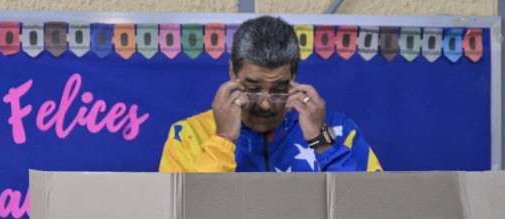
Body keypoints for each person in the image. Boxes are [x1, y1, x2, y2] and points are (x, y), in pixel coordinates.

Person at [159, 15, 382, 173]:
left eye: (279, 90)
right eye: (253, 89)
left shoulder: (338, 129)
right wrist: (223, 139)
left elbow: (366, 215)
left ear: (294, 76)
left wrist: (321, 142)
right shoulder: (186, 135)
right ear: (232, 72)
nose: (265, 104)